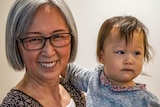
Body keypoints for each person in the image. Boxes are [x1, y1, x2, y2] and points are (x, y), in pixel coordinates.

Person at [0, 0, 86, 107]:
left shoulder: (72, 89)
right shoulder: (14, 105)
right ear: (16, 45)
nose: (49, 52)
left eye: (58, 36)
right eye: (34, 39)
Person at [65, 16, 160, 107]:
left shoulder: (146, 101)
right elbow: (70, 71)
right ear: (101, 56)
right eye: (121, 52)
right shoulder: (95, 78)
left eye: (137, 53)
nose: (130, 60)